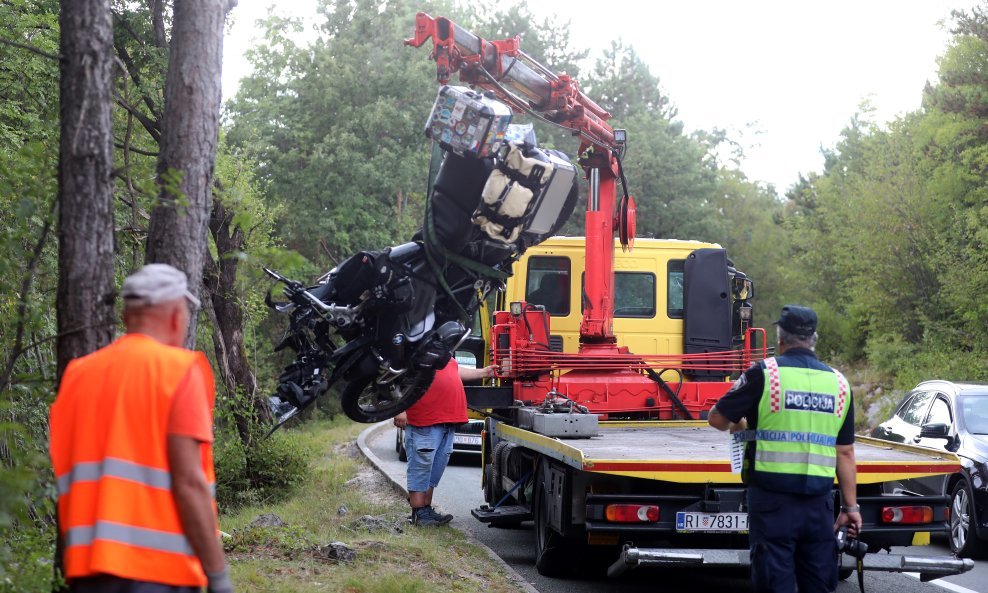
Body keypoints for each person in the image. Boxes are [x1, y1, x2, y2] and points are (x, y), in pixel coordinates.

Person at [49, 264, 234, 593]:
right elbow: (189, 482)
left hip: (87, 573)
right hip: (159, 574)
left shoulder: (77, 376)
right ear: (177, 314)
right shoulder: (179, 371)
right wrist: (218, 575)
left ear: (126, 316)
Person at [707, 305, 861, 593]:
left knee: (774, 584)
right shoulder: (839, 384)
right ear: (814, 338)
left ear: (780, 337)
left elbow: (717, 418)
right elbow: (845, 453)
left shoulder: (765, 374)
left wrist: (742, 428)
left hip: (772, 504)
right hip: (819, 506)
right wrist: (851, 508)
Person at [393, 358, 495, 526]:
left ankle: (426, 509)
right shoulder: (414, 350)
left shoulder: (441, 354)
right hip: (424, 420)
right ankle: (419, 512)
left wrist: (484, 372)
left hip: (447, 421)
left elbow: (455, 370)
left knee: (435, 467)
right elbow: (395, 378)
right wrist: (399, 408)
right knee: (421, 465)